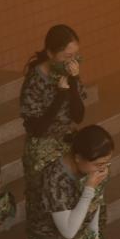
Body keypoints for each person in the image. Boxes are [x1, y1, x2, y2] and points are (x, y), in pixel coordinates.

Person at [19, 24, 87, 186]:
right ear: (50, 53)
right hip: (43, 150)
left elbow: (78, 116)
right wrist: (60, 95)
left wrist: (73, 80)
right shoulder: (35, 80)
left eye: (75, 55)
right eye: (67, 56)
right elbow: (37, 128)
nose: (72, 61)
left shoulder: (70, 73)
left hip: (68, 144)